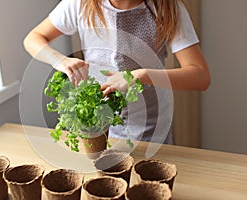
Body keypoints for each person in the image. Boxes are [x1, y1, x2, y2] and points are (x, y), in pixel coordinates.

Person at [23, 0, 211, 144]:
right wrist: (59, 60)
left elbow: (200, 76)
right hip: (100, 126)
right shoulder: (81, 4)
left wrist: (140, 76)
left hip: (150, 126)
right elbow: (33, 38)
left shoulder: (166, 8)